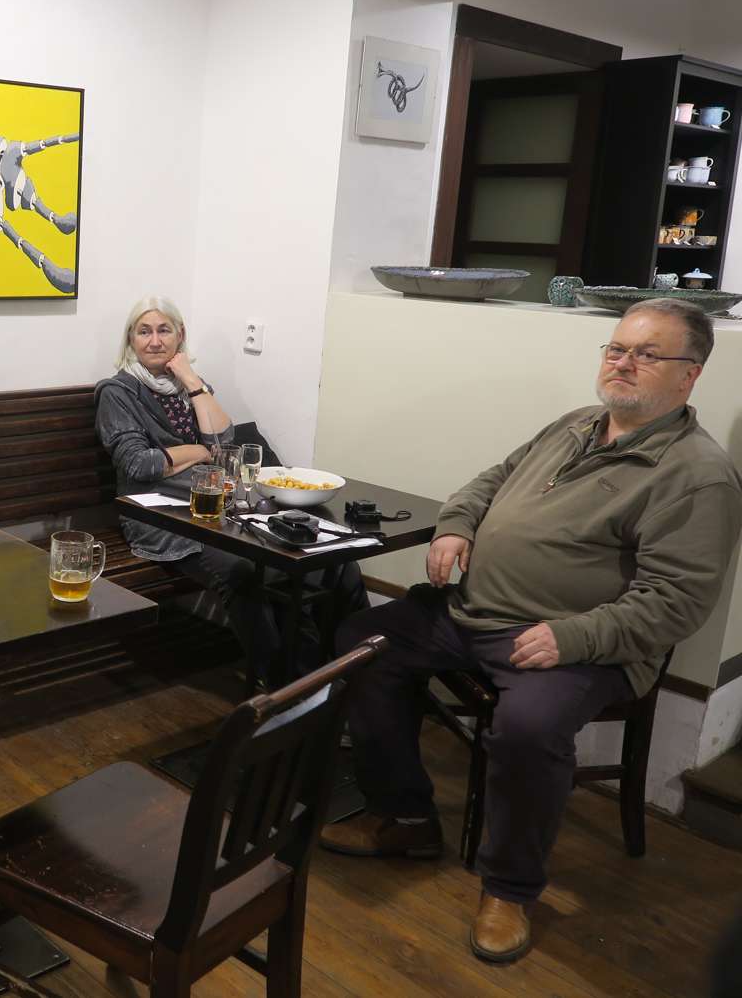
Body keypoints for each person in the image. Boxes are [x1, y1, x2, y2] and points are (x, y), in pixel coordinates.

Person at [320, 297, 742, 964]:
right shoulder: (576, 424)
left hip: (580, 643)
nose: (623, 363)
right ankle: (404, 816)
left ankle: (509, 889)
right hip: (474, 612)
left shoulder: (697, 477)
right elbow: (492, 479)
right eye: (616, 348)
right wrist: (457, 523)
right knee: (362, 643)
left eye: (646, 354)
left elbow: (676, 603)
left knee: (528, 728)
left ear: (690, 375)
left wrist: (570, 639)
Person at [94, 297, 366, 683]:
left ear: (180, 336)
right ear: (130, 340)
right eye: (144, 332)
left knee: (334, 561)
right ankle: (288, 688)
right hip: (162, 518)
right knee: (244, 572)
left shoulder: (189, 385)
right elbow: (140, 464)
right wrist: (200, 451)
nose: (155, 341)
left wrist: (193, 383)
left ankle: (357, 674)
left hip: (220, 511)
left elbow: (224, 441)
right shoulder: (118, 393)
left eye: (164, 330)